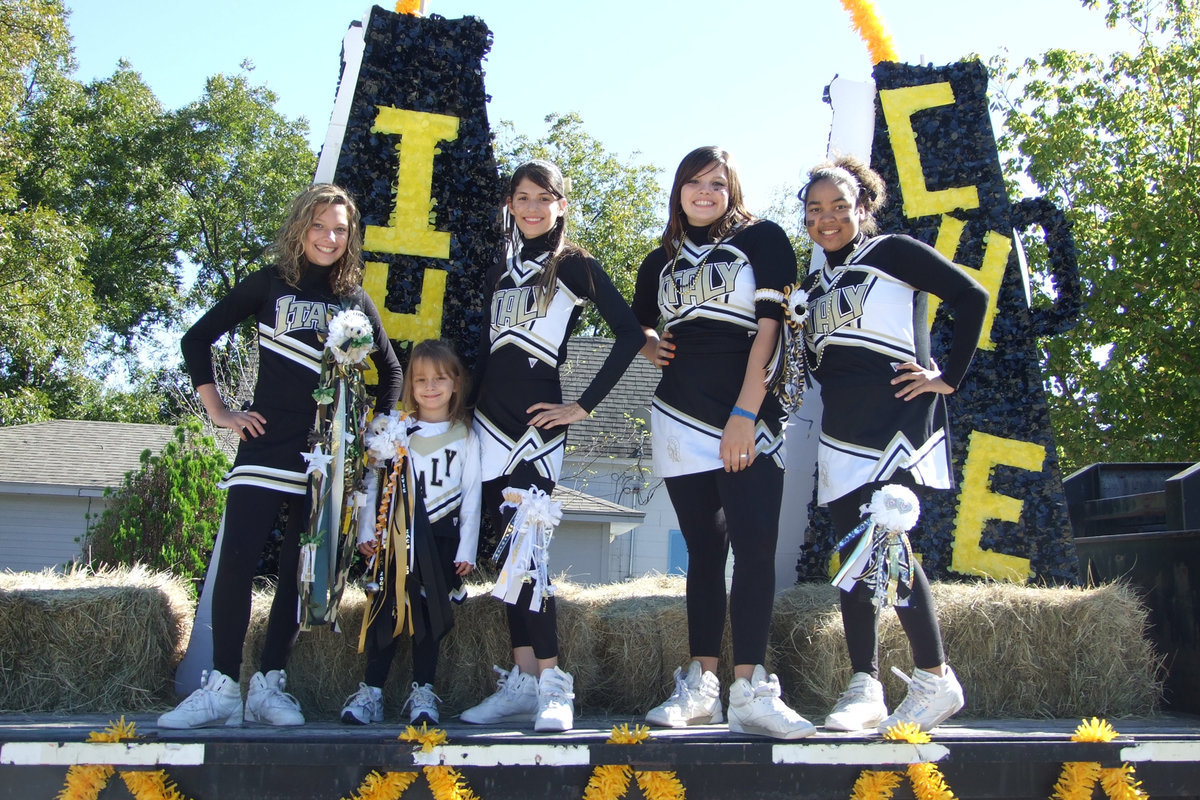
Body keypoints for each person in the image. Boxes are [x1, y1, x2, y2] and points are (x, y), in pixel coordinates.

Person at [159, 184, 403, 729]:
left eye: (340, 229)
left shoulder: (355, 301)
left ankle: (270, 682)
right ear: (299, 227)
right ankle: (222, 685)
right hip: (265, 446)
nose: (329, 237)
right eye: (319, 225)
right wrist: (220, 411)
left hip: (323, 460)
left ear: (351, 236)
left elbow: (391, 371)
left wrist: (373, 434)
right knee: (238, 562)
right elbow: (196, 340)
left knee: (303, 569)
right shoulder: (269, 284)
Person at [798, 155, 987, 733]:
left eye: (839, 206)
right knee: (854, 557)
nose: (827, 219)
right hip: (840, 428)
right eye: (814, 210)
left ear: (863, 207)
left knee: (887, 545)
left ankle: (933, 676)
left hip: (897, 423)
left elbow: (972, 296)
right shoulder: (810, 285)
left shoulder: (894, 252)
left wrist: (946, 378)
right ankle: (866, 683)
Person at [633, 146, 814, 740]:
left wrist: (746, 410)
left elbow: (772, 331)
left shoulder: (764, 239)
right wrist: (649, 343)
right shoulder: (655, 262)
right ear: (678, 190)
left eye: (716, 183)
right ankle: (701, 685)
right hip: (677, 417)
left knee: (755, 550)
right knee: (704, 555)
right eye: (693, 182)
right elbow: (638, 322)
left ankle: (752, 688)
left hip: (747, 417)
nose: (704, 193)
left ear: (732, 188)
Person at [461, 159, 643, 732]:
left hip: (538, 429)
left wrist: (581, 407)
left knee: (530, 557)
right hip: (488, 424)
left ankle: (555, 683)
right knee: (509, 559)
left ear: (561, 204)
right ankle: (522, 681)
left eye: (544, 197)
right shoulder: (499, 269)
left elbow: (631, 334)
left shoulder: (573, 265)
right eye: (522, 197)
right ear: (510, 205)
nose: (533, 207)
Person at [341, 339, 480, 727]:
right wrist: (367, 531)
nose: (430, 387)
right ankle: (371, 692)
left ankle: (424, 692)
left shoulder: (466, 434)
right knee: (386, 611)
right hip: (395, 539)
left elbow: (472, 496)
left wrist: (466, 548)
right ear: (410, 386)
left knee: (428, 618)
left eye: (439, 379)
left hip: (441, 541)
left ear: (456, 384)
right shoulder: (394, 429)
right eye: (420, 379)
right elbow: (372, 484)